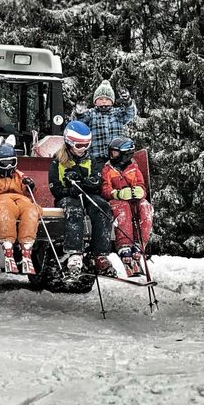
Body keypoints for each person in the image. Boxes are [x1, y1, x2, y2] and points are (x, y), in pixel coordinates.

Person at [48, 120, 116, 277]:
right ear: (69, 143)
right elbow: (55, 189)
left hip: (87, 194)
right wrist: (70, 188)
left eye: (87, 145)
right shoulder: (58, 161)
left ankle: (99, 254)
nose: (83, 149)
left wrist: (83, 181)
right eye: (79, 146)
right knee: (74, 210)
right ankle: (74, 252)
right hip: (68, 197)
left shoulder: (90, 159)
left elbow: (97, 181)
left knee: (103, 208)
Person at [0, 134, 41, 274]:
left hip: (21, 199)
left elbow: (31, 194)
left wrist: (30, 185)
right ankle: (8, 247)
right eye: (4, 164)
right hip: (1, 198)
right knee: (5, 210)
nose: (8, 167)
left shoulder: (19, 175)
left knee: (31, 209)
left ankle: (27, 247)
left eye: (12, 162)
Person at [101, 137, 153, 277]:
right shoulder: (108, 169)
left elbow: (141, 185)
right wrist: (117, 193)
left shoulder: (133, 168)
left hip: (133, 201)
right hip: (117, 202)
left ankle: (139, 242)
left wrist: (140, 191)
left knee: (145, 206)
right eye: (111, 153)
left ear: (125, 154)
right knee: (123, 207)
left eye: (115, 153)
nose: (112, 156)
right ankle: (124, 245)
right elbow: (105, 189)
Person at [74, 79, 136, 172]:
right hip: (98, 156)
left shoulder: (118, 113)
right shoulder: (91, 114)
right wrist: (79, 113)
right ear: (95, 101)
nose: (104, 101)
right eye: (100, 99)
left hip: (117, 156)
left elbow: (130, 114)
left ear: (112, 101)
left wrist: (128, 102)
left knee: (119, 175)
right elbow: (79, 123)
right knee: (101, 177)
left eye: (107, 99)